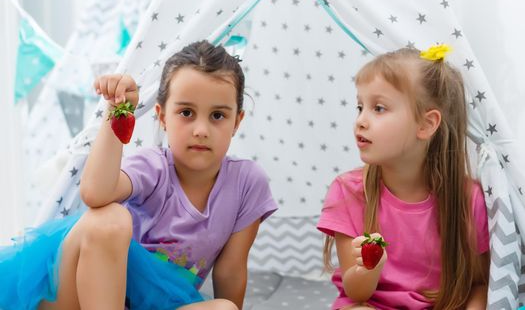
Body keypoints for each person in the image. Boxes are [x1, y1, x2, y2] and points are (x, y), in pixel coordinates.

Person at [0, 40, 278, 310]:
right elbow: (95, 193)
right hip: (82, 296)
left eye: (217, 115)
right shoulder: (153, 167)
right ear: (163, 116)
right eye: (186, 113)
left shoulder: (246, 183)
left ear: (237, 121)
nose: (201, 130)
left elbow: (230, 272)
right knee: (109, 218)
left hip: (165, 304)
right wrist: (118, 111)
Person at [317, 45, 490, 310]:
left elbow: (479, 284)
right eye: (360, 107)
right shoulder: (349, 190)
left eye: (379, 108)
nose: (360, 121)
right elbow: (356, 292)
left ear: (426, 124)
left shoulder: (469, 199)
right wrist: (370, 266)